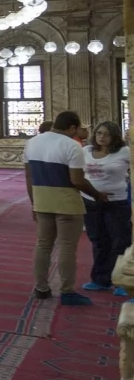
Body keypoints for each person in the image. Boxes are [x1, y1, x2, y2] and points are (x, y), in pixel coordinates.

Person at [25, 110, 108, 305]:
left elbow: (28, 177)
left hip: (42, 199)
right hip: (67, 202)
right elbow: (77, 180)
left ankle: (41, 287)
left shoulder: (32, 142)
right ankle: (67, 291)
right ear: (72, 127)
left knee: (43, 245)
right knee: (67, 248)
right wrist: (97, 195)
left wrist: (34, 203)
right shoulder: (72, 145)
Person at [80, 121, 131, 295]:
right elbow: (79, 173)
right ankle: (101, 279)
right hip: (91, 201)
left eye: (107, 134)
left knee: (120, 241)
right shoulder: (86, 151)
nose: (102, 137)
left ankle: (123, 282)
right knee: (99, 241)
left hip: (116, 202)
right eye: (99, 133)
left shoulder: (124, 152)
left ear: (115, 136)